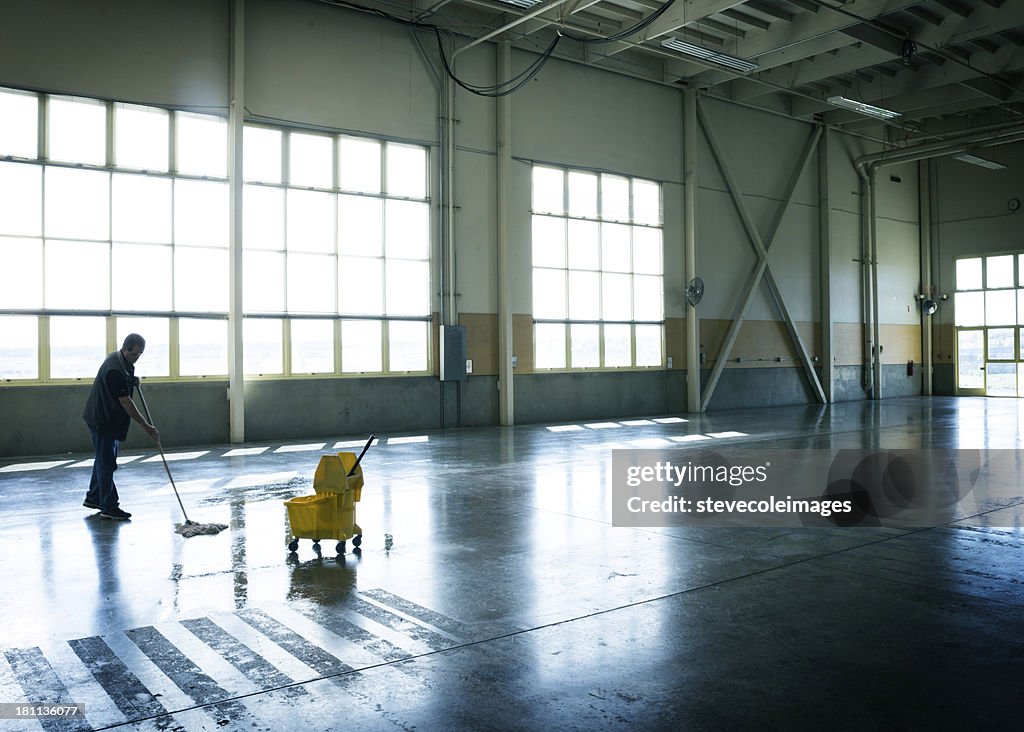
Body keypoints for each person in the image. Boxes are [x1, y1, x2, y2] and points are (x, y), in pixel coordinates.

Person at [82, 333, 160, 520]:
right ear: (125, 349)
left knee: (103, 459)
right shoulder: (114, 369)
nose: (136, 358)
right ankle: (109, 507)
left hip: (107, 418)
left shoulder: (118, 359)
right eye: (134, 354)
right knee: (107, 463)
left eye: (140, 355)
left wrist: (132, 380)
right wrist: (146, 426)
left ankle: (94, 497)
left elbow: (124, 379)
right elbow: (126, 402)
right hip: (102, 419)